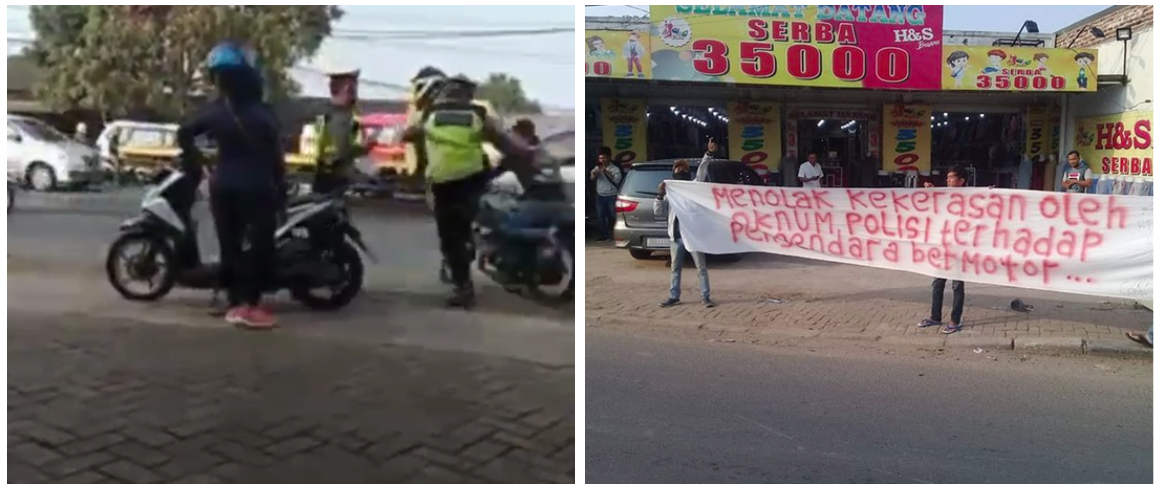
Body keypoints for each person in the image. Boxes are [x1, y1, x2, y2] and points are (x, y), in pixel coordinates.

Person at [176, 42, 284, 329]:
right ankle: (248, 307)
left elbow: (184, 132)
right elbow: (276, 158)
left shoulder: (216, 111)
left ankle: (235, 302)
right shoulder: (263, 113)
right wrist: (281, 189)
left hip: (222, 187)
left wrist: (196, 165)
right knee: (258, 248)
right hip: (257, 188)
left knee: (231, 247)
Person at [403, 75, 532, 308]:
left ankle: (463, 287)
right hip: (472, 181)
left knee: (449, 237)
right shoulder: (477, 115)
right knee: (474, 223)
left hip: (442, 183)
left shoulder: (430, 114)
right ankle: (476, 246)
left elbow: (409, 135)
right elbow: (504, 143)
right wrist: (526, 152)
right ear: (468, 94)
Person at [918, 167, 970, 334]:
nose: (948, 181)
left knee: (957, 286)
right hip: (944, 248)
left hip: (960, 249)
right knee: (938, 284)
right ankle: (935, 316)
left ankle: (955, 320)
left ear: (961, 181)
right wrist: (931, 194)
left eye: (951, 178)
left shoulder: (969, 198)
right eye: (947, 178)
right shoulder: (944, 196)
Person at [655, 160, 714, 308]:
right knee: (675, 268)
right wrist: (659, 195)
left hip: (693, 237)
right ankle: (674, 296)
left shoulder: (693, 187)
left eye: (683, 169)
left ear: (688, 173)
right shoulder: (671, 191)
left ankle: (705, 296)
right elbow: (659, 212)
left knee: (701, 268)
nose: (680, 171)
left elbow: (702, 172)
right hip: (676, 238)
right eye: (677, 169)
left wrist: (709, 155)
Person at [312, 61, 367, 195]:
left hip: (330, 179)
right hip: (331, 182)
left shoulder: (331, 113)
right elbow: (335, 154)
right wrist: (364, 147)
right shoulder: (337, 117)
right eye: (354, 85)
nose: (356, 90)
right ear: (347, 88)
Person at [590, 147, 622, 242]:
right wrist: (594, 174)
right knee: (601, 216)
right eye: (600, 158)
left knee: (613, 215)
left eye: (604, 158)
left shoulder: (615, 168)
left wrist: (607, 172)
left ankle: (615, 234)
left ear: (609, 157)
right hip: (600, 195)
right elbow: (591, 178)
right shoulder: (597, 167)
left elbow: (617, 180)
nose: (602, 160)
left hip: (612, 195)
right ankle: (604, 235)